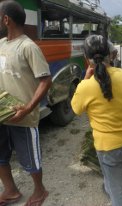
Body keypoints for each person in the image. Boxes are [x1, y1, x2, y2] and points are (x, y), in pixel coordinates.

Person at [71, 35, 122, 206]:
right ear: (111, 55)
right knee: (121, 173)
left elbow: (76, 110)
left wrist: (84, 79)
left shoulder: (86, 86)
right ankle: (111, 190)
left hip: (109, 147)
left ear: (86, 58)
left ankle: (115, 195)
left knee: (118, 193)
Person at [0, 1, 51, 205]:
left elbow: (46, 80)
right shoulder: (1, 44)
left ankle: (40, 191)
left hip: (23, 116)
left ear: (6, 20)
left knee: (30, 159)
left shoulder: (28, 47)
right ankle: (11, 190)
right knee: (0, 156)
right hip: (2, 115)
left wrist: (28, 108)